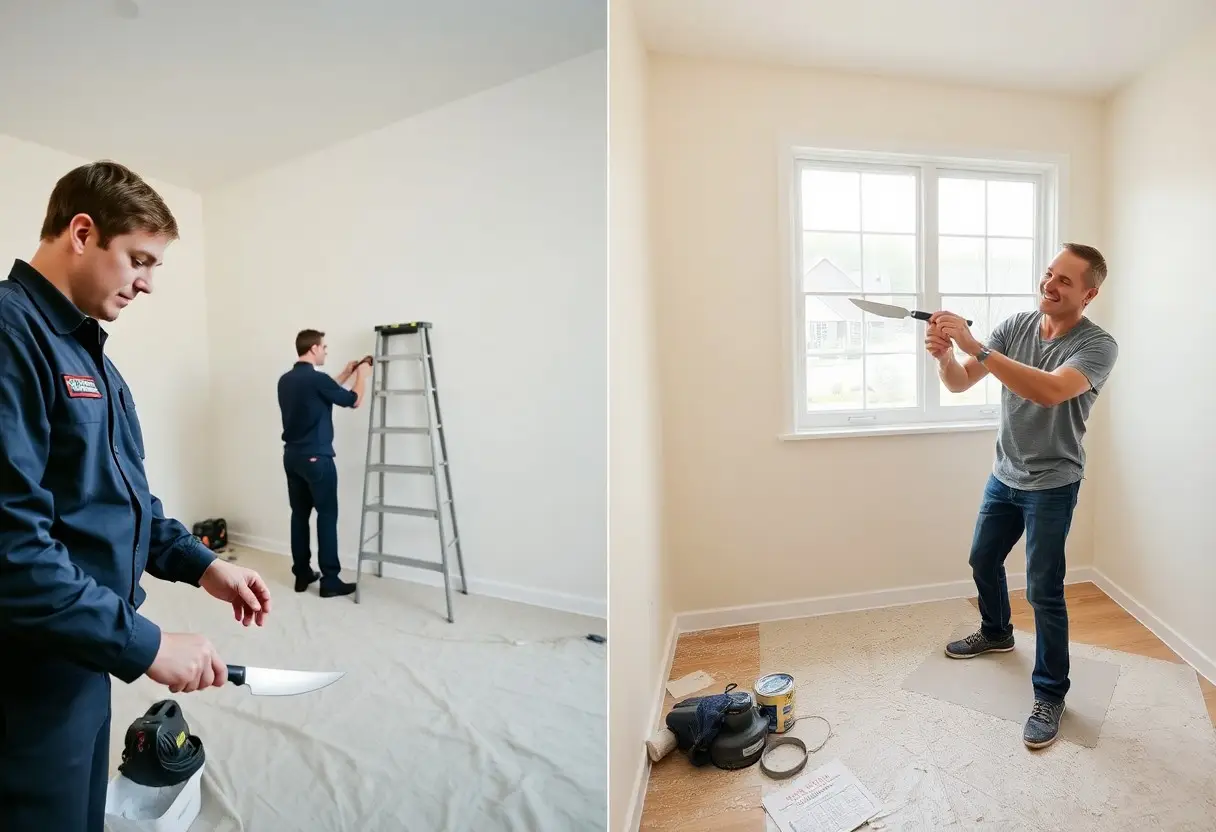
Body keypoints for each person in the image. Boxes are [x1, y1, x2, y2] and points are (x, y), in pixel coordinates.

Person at [0, 160, 273, 831]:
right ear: (83, 232)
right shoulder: (11, 336)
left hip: (83, 650)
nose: (148, 284)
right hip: (25, 670)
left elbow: (123, 502)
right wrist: (146, 643)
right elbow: (11, 548)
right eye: (139, 260)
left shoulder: (94, 357)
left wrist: (203, 563)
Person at [926, 242, 1119, 750]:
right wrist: (948, 356)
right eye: (1048, 274)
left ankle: (1051, 694)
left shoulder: (1098, 347)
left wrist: (977, 347)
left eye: (1064, 281)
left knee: (1044, 590)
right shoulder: (1015, 326)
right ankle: (997, 632)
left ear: (1089, 293)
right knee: (982, 559)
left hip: (1053, 485)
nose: (1049, 285)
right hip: (1005, 475)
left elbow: (1050, 391)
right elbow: (962, 382)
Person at [277, 329, 370, 597]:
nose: (326, 351)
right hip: (317, 458)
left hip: (292, 457)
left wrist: (345, 374)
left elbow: (322, 393)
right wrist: (361, 376)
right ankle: (330, 580)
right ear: (314, 348)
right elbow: (353, 400)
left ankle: (302, 574)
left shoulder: (286, 380)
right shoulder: (316, 380)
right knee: (327, 517)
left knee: (299, 515)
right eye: (324, 347)